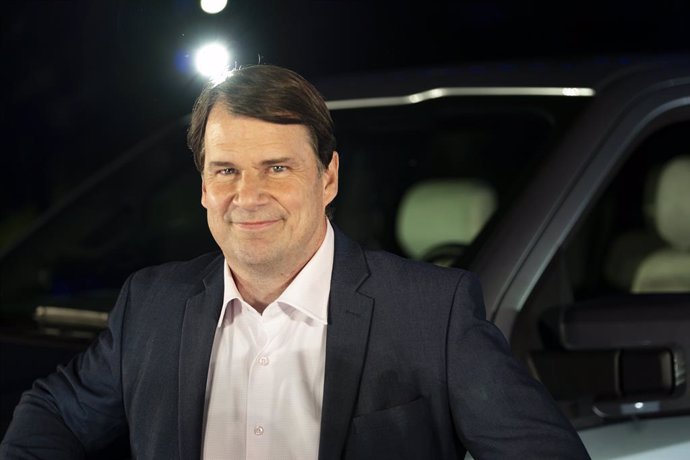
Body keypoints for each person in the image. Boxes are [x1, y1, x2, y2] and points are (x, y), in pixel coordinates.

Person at [0, 64, 590, 459]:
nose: (247, 196)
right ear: (203, 187)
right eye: (226, 170)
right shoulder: (151, 304)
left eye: (276, 168)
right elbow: (52, 411)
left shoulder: (431, 313)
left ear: (328, 177)